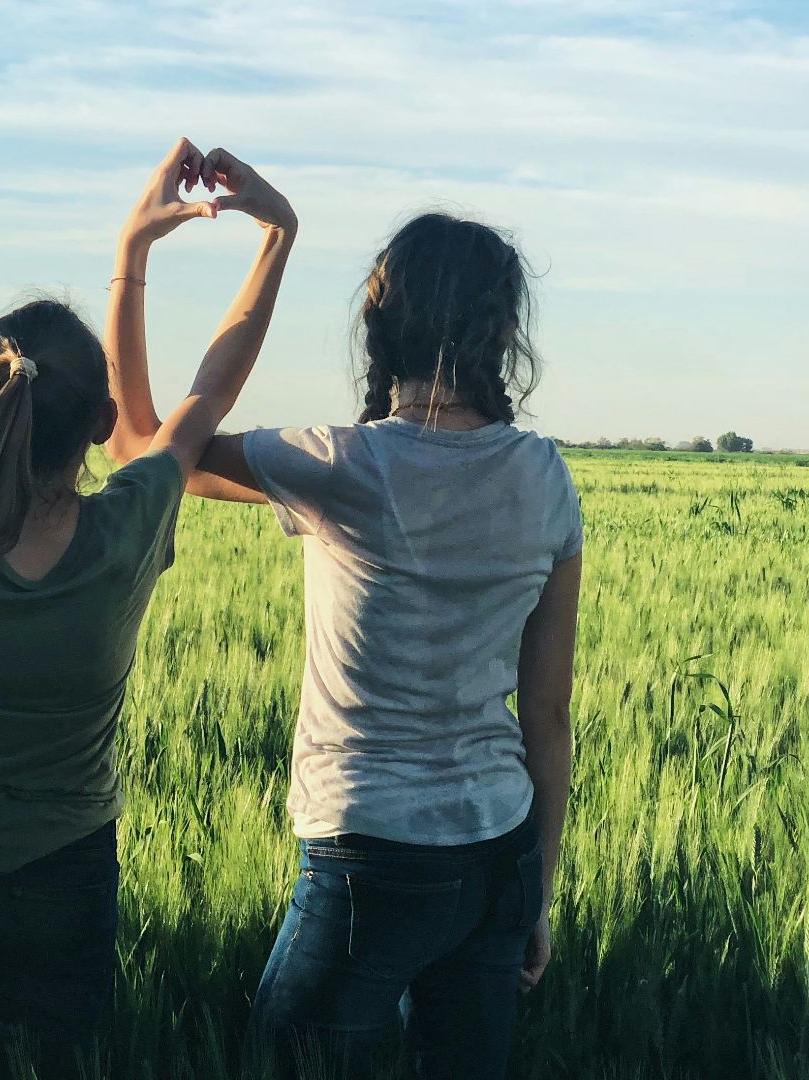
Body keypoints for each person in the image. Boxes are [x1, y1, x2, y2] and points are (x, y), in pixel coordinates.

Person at [0, 139, 297, 1078]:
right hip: (68, 871)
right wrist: (264, 236)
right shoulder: (129, 528)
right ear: (96, 420)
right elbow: (209, 390)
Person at [142, 211, 582, 1078]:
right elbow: (551, 715)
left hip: (367, 856)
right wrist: (538, 889)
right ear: (501, 331)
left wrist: (136, 254)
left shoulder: (342, 463)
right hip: (498, 850)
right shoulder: (545, 475)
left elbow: (142, 452)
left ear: (382, 325)